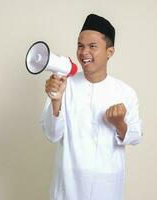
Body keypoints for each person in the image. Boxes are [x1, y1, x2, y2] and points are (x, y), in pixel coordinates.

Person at [41, 14, 142, 200]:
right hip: (67, 187)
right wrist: (56, 101)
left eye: (92, 46)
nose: (84, 52)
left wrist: (119, 123)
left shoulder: (125, 92)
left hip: (106, 189)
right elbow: (52, 134)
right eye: (80, 45)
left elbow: (135, 136)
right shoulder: (64, 84)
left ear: (109, 52)